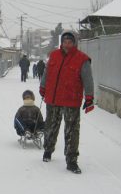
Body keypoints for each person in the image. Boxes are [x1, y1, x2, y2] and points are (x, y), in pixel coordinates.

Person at [39, 31, 94, 174]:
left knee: (71, 132)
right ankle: (48, 150)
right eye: (65, 42)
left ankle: (71, 161)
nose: (67, 45)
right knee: (50, 126)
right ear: (61, 43)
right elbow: (46, 73)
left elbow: (88, 80)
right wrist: (43, 86)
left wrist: (89, 97)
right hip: (53, 98)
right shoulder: (54, 55)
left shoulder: (82, 59)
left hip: (71, 100)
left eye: (70, 42)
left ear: (74, 43)